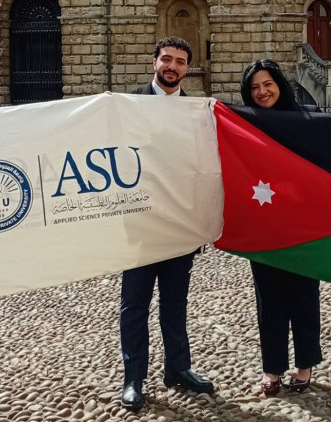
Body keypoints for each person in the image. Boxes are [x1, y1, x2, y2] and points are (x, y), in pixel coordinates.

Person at [119, 36, 214, 412]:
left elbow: (203, 169)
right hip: (141, 226)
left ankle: (178, 369)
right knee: (134, 306)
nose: (172, 66)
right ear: (154, 62)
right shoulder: (127, 106)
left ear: (187, 68)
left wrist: (200, 222)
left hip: (179, 227)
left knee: (174, 304)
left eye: (180, 61)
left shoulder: (195, 112)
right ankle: (133, 379)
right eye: (167, 59)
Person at [239, 59, 322, 395]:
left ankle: (305, 364)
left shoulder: (304, 120)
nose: (262, 92)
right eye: (255, 87)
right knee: (269, 300)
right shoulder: (245, 124)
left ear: (279, 84)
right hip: (264, 226)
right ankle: (272, 368)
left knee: (304, 297)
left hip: (303, 225)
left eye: (267, 84)